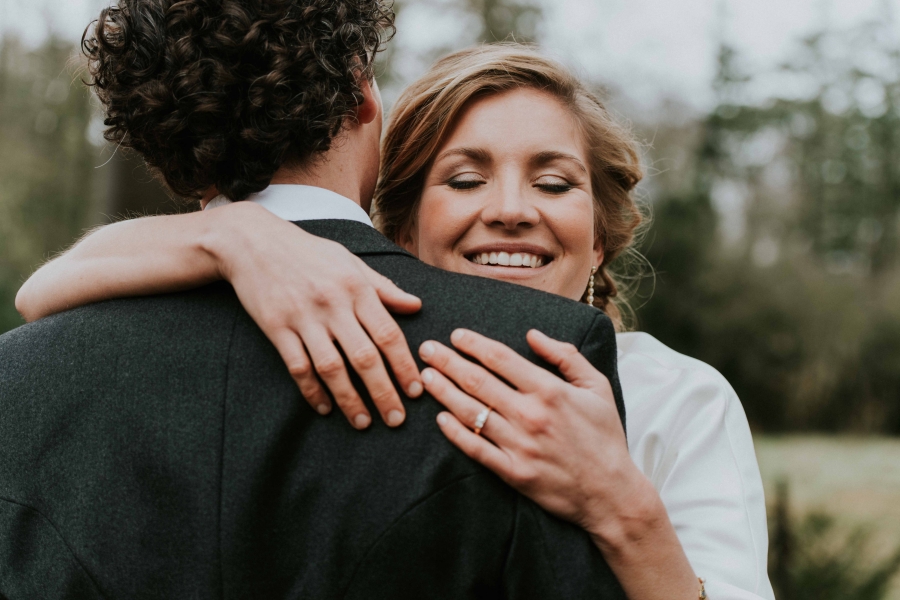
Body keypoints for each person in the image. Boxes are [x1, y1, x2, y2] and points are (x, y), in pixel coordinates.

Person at [17, 42, 775, 600]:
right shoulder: (337, 325)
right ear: (400, 228)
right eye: (466, 178)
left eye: (553, 181)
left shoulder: (678, 397)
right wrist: (231, 236)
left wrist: (622, 503)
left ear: (601, 231)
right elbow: (43, 289)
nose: (511, 210)